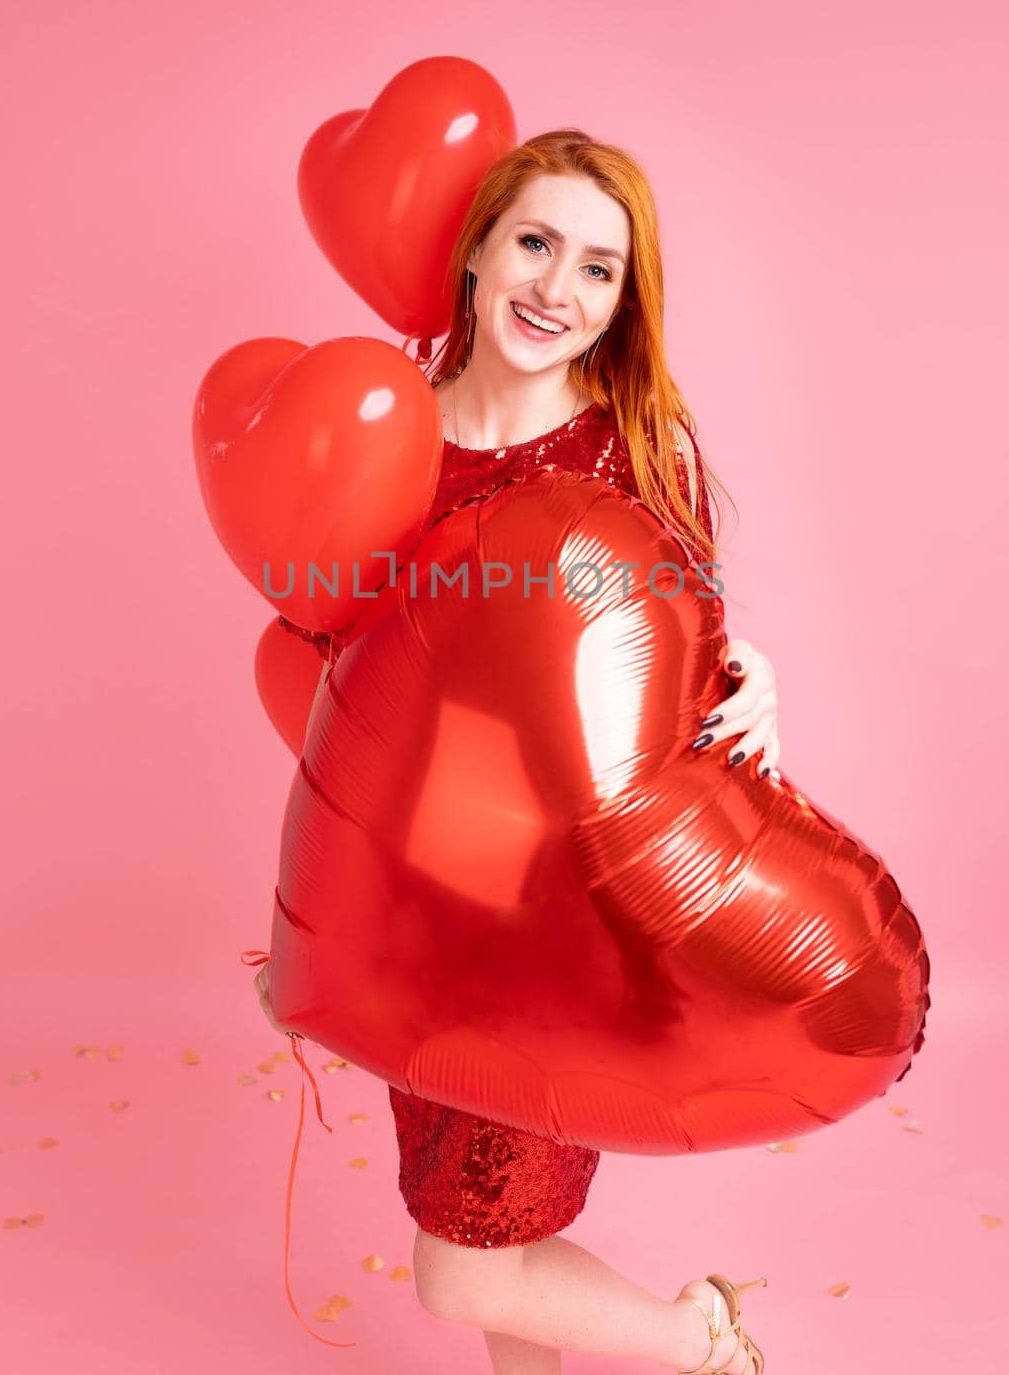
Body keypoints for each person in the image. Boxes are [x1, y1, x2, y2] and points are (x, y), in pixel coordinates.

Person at [262, 129, 779, 1373]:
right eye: (537, 244)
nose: (557, 289)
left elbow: (679, 650)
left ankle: (699, 1342)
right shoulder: (384, 437)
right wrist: (313, 927)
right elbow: (341, 696)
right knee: (489, 1236)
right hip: (422, 914)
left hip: (559, 926)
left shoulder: (631, 451)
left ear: (622, 300)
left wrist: (760, 674)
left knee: (463, 1260)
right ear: (479, 250)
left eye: (599, 269)